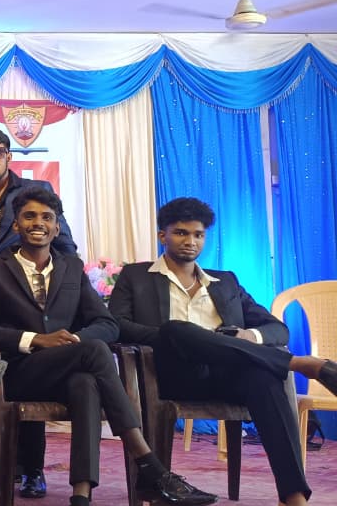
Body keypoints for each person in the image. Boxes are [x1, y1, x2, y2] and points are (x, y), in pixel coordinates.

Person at [0, 188, 217, 506]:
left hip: (65, 369)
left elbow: (106, 323)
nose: (38, 223)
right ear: (16, 225)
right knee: (95, 351)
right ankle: (150, 466)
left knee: (85, 383)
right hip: (18, 372)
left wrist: (75, 340)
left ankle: (81, 495)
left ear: (57, 227)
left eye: (47, 217)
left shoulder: (71, 267)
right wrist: (35, 339)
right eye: (29, 216)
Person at [112, 197, 337, 506]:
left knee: (266, 378)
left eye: (198, 234)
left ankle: (293, 496)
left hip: (226, 374)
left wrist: (249, 335)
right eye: (181, 233)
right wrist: (169, 337)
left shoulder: (225, 281)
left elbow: (277, 329)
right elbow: (117, 325)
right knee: (177, 329)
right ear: (163, 235)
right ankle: (301, 364)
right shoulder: (136, 276)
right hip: (170, 374)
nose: (190, 241)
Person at [0, 127, 76, 495]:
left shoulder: (34, 194)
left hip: (30, 304)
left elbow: (65, 247)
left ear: (9, 156)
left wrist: (62, 293)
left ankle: (33, 470)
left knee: (30, 386)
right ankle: (8, 465)